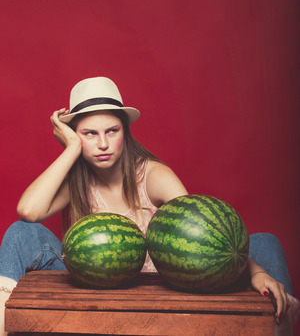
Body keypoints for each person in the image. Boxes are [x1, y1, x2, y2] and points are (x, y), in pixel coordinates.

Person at [0, 76, 298, 336]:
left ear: (124, 133)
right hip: (98, 290)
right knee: (21, 234)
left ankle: (278, 326)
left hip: (163, 291)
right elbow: (28, 211)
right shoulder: (76, 180)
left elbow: (201, 235)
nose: (102, 143)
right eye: (89, 133)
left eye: (112, 131)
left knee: (265, 244)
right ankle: (3, 324)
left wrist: (257, 273)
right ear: (75, 136)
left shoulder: (153, 175)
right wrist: (71, 150)